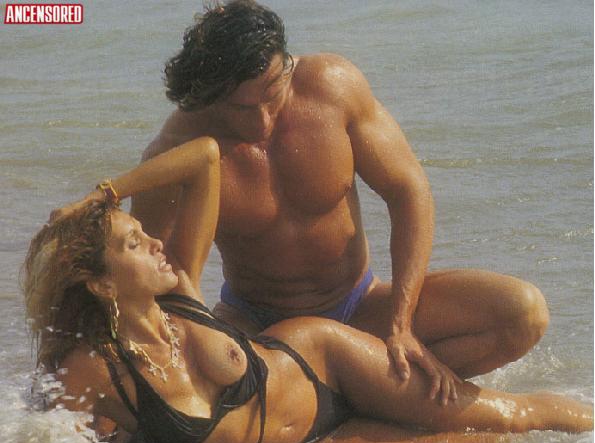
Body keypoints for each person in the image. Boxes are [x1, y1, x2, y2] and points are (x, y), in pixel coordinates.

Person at [25, 138, 592, 443]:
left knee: (511, 418)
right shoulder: (95, 367)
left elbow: (204, 157)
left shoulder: (182, 296)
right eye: (133, 243)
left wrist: (104, 194)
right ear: (101, 286)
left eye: (143, 232)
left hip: (325, 361)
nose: (154, 242)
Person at [131, 0, 550, 405]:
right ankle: (375, 392)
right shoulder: (178, 148)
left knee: (521, 313)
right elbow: (147, 276)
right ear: (210, 96)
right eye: (241, 108)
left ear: (287, 63)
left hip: (361, 306)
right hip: (259, 329)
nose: (262, 120)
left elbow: (408, 191)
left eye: (272, 93)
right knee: (190, 394)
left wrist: (400, 324)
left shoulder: (332, 87)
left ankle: (348, 391)